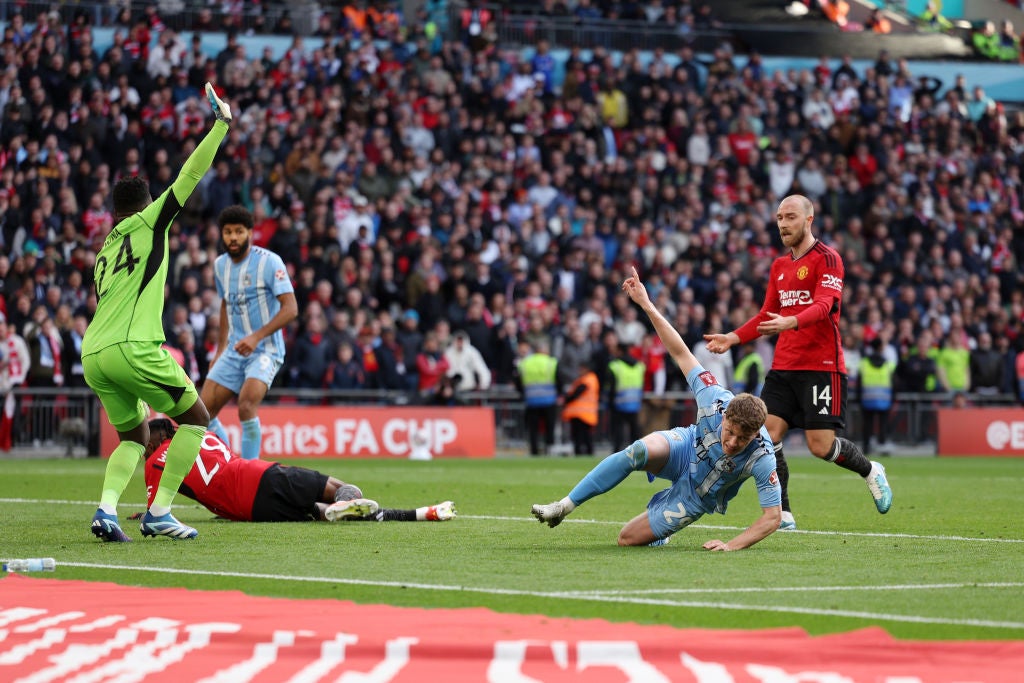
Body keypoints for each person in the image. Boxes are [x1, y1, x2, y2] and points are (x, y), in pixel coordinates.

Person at [532, 267, 780, 550]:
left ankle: (661, 530)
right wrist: (646, 304)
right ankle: (563, 506)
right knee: (636, 451)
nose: (733, 442)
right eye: (731, 432)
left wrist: (731, 545)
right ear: (725, 416)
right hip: (685, 447)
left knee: (626, 540)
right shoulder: (714, 398)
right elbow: (679, 352)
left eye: (742, 439)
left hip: (696, 495)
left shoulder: (762, 454)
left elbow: (771, 517)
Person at [82, 83, 232, 543]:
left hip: (95, 353)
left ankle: (107, 510)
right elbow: (189, 175)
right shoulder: (151, 222)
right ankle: (159, 512)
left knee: (135, 436)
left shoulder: (103, 250)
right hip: (132, 347)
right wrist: (221, 126)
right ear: (144, 205)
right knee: (197, 420)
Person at [704, 195, 892, 531]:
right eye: (778, 217)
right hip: (783, 367)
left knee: (820, 447)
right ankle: (784, 513)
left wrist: (789, 322)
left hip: (822, 366)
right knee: (767, 436)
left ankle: (870, 470)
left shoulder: (828, 259)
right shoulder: (779, 266)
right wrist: (733, 337)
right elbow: (765, 314)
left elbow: (824, 306)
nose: (782, 224)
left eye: (790, 217)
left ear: (809, 219)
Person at [142, 419, 456, 523]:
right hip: (257, 475)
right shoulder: (204, 436)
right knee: (346, 489)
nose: (146, 445)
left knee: (314, 512)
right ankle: (342, 504)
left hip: (250, 511)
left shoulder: (155, 461)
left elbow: (156, 509)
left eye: (148, 439)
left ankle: (334, 511)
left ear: (161, 436)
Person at [201, 204, 298, 460]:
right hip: (234, 350)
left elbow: (291, 309)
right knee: (201, 412)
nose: (233, 237)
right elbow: (225, 304)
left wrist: (256, 337)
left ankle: (250, 473)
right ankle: (230, 465)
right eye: (228, 232)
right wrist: (220, 350)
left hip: (266, 349)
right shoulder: (220, 265)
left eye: (239, 231)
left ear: (250, 233)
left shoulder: (269, 262)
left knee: (246, 405)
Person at [517, 338, 560, 456]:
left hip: (531, 401)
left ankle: (534, 450)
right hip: (549, 400)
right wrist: (559, 394)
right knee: (549, 427)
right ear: (544, 350)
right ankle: (549, 449)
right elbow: (559, 379)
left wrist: (523, 394)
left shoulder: (525, 363)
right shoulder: (551, 362)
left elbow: (518, 381)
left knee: (533, 429)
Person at [858, 338, 896, 456]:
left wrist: (859, 399)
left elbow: (859, 383)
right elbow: (894, 383)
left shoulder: (863, 363)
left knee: (867, 425)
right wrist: (893, 398)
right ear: (881, 347)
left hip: (867, 399)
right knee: (883, 425)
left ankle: (866, 447)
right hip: (884, 400)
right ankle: (882, 447)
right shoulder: (888, 364)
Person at [0, 312, 31, 452]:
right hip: (2, 384)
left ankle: (10, 442)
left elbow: (25, 361)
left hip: (13, 384)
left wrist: (19, 378)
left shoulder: (17, 341)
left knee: (12, 414)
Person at [607, 343, 645, 452]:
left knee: (618, 431)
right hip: (635, 403)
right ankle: (638, 454)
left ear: (619, 351)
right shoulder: (639, 365)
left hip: (618, 404)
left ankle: (616, 454)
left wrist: (610, 403)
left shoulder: (615, 366)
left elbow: (611, 388)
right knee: (634, 431)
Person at [561, 358, 599, 456]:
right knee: (586, 436)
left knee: (580, 436)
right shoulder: (589, 379)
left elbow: (576, 394)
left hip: (581, 414)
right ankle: (588, 453)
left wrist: (565, 399)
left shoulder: (587, 379)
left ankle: (581, 453)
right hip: (585, 413)